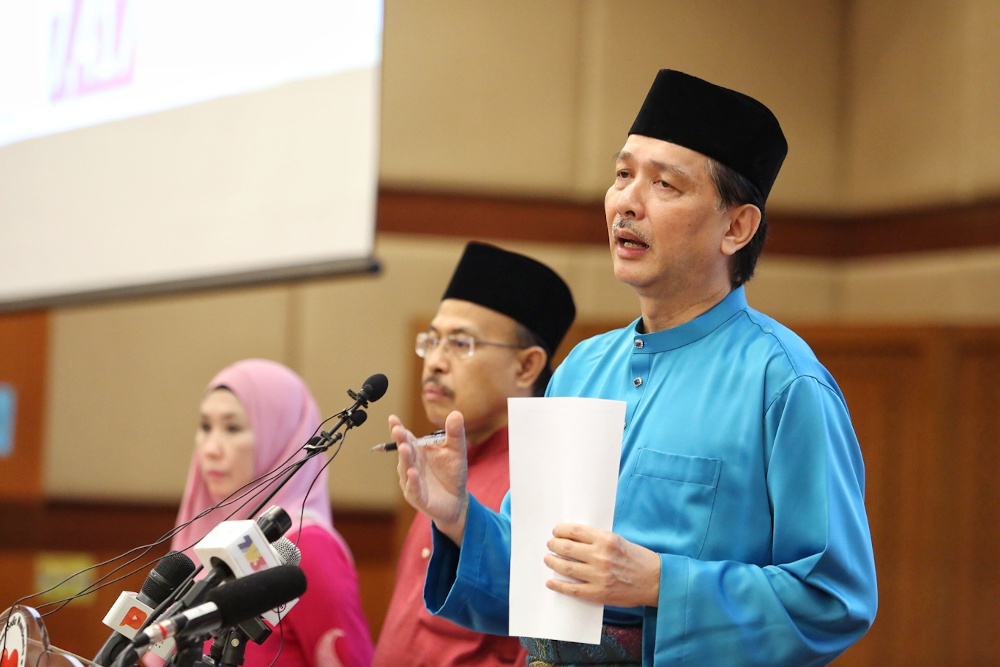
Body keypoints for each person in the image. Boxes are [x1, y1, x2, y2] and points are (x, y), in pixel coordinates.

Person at [388, 70, 878, 666]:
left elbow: (833, 600)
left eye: (664, 184)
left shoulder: (783, 383)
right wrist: (461, 518)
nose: (626, 201)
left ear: (737, 227)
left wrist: (660, 583)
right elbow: (536, 576)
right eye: (622, 175)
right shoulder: (580, 370)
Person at [372, 242, 576, 667]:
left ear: (526, 367)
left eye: (460, 343)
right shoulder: (442, 464)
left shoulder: (545, 479)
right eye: (432, 341)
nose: (436, 363)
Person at [169, 358, 374, 667]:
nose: (210, 448)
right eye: (206, 427)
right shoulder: (209, 532)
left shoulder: (303, 547)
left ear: (281, 435)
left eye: (233, 427)